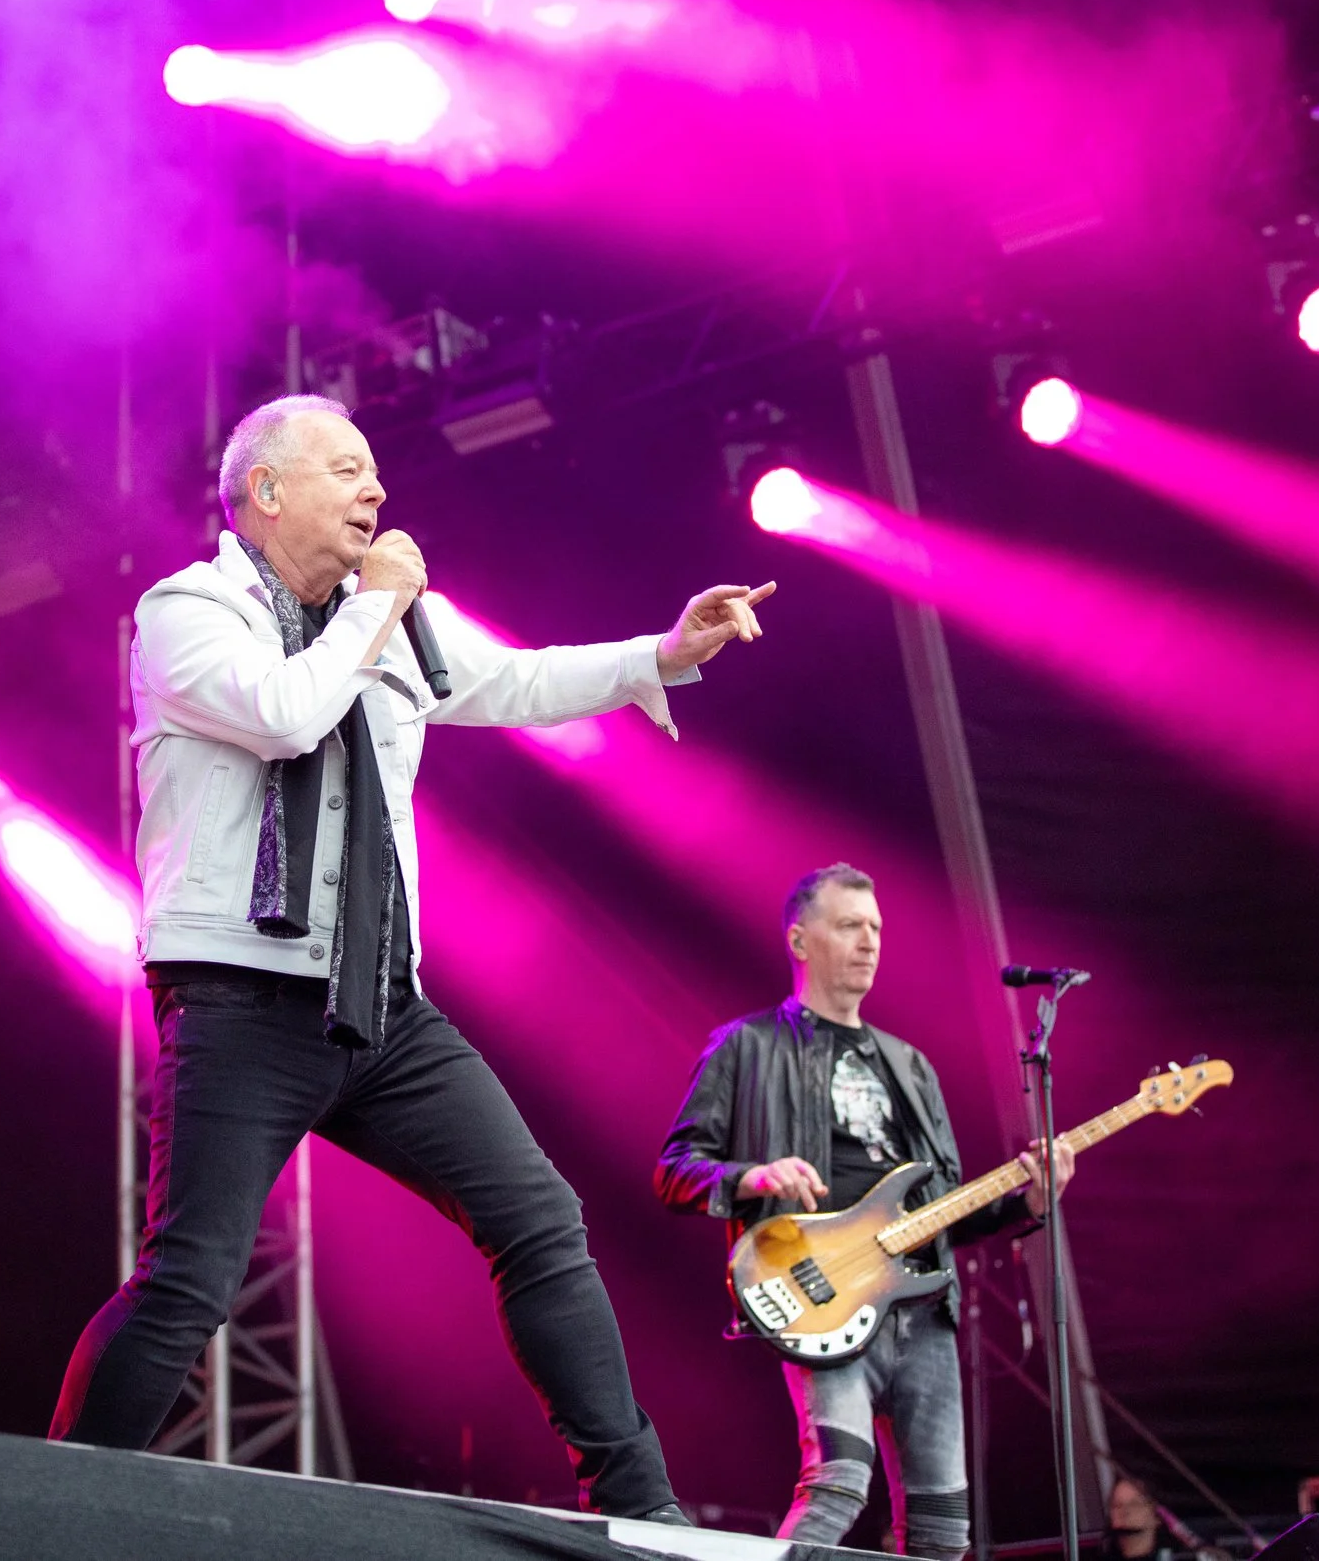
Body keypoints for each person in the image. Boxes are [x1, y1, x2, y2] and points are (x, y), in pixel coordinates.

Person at [49, 393, 775, 1521]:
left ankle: (643, 1513)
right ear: (266, 490)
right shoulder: (186, 612)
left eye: (375, 472)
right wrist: (378, 603)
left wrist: (662, 652)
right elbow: (286, 713)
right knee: (192, 1278)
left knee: (539, 1219)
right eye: (346, 470)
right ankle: (51, 1502)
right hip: (242, 996)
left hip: (381, 1002)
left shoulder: (381, 621)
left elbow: (512, 682)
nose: (376, 491)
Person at [654, 862, 1077, 1555]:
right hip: (821, 1291)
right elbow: (675, 1170)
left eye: (876, 927)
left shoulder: (910, 1065)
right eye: (850, 924)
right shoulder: (747, 1046)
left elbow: (945, 1208)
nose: (870, 940)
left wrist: (1025, 1201)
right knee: (838, 1485)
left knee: (944, 1532)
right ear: (800, 939)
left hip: (922, 1310)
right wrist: (755, 1174)